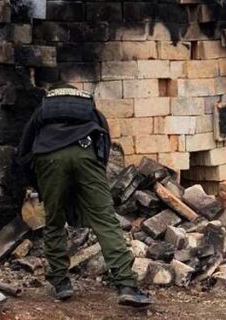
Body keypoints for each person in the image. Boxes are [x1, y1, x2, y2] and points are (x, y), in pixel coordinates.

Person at [15, 82, 152, 307]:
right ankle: (126, 285)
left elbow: (24, 148)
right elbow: (104, 139)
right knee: (104, 220)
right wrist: (97, 168)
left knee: (54, 220)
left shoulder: (43, 108)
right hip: (86, 153)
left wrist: (35, 181)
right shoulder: (88, 107)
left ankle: (61, 283)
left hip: (48, 157)